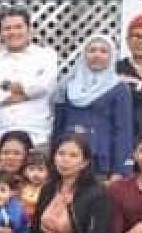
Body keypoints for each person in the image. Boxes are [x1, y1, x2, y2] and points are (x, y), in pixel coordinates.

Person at [0, 5, 60, 159]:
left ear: (29, 29)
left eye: (18, 27)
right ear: (0, 33)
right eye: (7, 28)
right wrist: (26, 93)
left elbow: (43, 86)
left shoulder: (46, 56)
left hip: (36, 137)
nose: (13, 32)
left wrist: (7, 90)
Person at [52, 34, 133, 178]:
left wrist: (119, 170)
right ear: (84, 54)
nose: (97, 55)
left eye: (103, 51)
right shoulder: (68, 85)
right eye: (92, 50)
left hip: (100, 160)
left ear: (111, 56)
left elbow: (123, 131)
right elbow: (58, 126)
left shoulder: (119, 88)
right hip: (67, 160)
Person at [17, 149, 48, 223]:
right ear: (24, 171)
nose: (36, 173)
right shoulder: (20, 186)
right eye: (31, 169)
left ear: (48, 171)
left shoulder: (48, 188)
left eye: (41, 169)